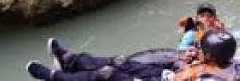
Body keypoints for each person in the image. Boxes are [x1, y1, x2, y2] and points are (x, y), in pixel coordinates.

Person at [26, 38, 185, 81]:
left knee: (106, 75)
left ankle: (54, 76)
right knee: (119, 61)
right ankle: (69, 60)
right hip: (165, 76)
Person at [173, 30, 240, 81]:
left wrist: (184, 64)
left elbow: (174, 79)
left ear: (208, 56)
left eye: (200, 49)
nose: (198, 51)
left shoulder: (194, 71)